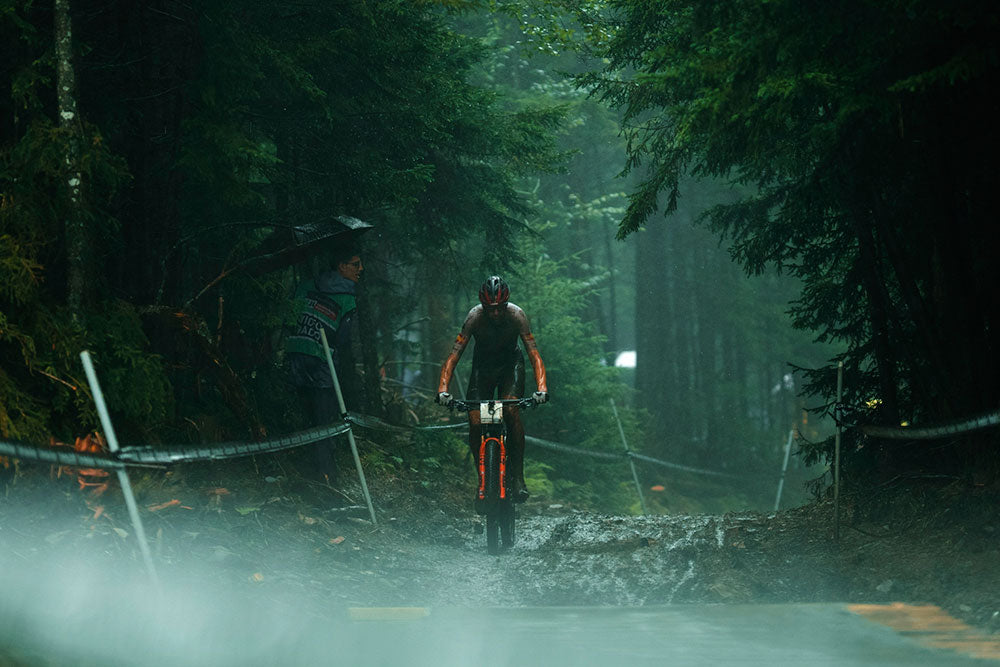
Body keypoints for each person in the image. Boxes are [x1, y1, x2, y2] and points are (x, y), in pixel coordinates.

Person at [436, 275, 548, 502]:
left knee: (510, 411)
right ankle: (483, 481)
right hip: (483, 369)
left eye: (499, 309)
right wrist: (443, 389)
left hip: (510, 367)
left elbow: (533, 354)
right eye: (490, 309)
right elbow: (454, 355)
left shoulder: (517, 316)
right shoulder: (474, 317)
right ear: (483, 307)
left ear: (506, 305)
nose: (495, 313)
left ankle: (517, 478)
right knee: (477, 421)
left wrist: (542, 388)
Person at [285, 248, 364, 484]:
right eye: (356, 263)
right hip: (322, 362)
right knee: (324, 420)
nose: (361, 269)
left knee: (305, 417)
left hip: (297, 354)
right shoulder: (348, 299)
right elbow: (342, 340)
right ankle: (326, 474)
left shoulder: (307, 285)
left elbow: (292, 317)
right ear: (341, 266)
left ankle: (310, 471)